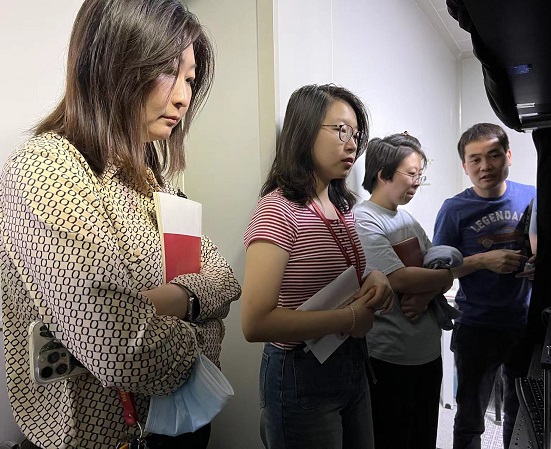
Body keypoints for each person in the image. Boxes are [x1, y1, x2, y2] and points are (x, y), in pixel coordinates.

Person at [0, 1, 241, 448]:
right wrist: (206, 330)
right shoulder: (48, 168)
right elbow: (124, 350)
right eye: (168, 71)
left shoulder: (150, 180)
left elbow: (225, 279)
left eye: (190, 79)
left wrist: (177, 299)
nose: (184, 97)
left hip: (179, 423)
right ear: (112, 61)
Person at [241, 84, 395, 449]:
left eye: (355, 134)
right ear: (305, 130)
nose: (352, 144)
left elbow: (338, 278)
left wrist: (373, 276)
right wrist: (350, 318)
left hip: (349, 359)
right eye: (341, 130)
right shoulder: (278, 210)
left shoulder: (341, 207)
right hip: (300, 370)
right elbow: (255, 323)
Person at [433, 123, 536, 449]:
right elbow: (437, 272)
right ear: (464, 166)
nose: (485, 166)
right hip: (476, 326)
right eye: (475, 159)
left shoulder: (532, 196)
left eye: (493, 155)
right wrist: (481, 261)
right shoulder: (454, 209)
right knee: (469, 420)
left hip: (526, 322)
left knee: (522, 416)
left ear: (508, 156)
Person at [353, 133, 455, 449]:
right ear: (383, 174)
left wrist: (431, 289)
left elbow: (440, 271)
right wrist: (441, 278)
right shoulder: (363, 219)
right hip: (390, 358)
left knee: (423, 438)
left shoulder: (406, 218)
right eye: (411, 174)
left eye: (419, 175)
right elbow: (399, 279)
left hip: (427, 355)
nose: (417, 183)